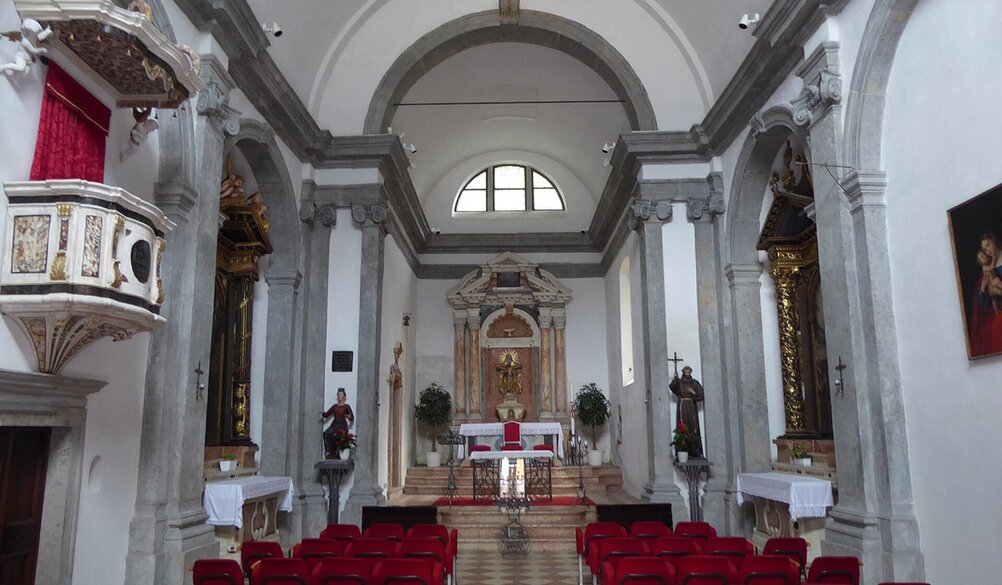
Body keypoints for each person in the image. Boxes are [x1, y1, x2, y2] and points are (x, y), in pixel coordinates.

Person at [970, 232, 1002, 356]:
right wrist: (983, 289)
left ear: (994, 240)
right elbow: (982, 303)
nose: (987, 251)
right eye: (984, 249)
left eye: (988, 245)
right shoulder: (987, 267)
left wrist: (998, 291)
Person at [668, 366, 704, 458]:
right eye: (685, 372)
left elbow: (701, 394)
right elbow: (673, 387)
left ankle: (695, 451)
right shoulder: (680, 382)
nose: (687, 374)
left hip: (691, 406)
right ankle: (683, 450)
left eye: (689, 372)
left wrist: (693, 392)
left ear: (691, 372)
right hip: (683, 406)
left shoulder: (695, 383)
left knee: (693, 426)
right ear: (683, 372)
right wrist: (675, 379)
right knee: (683, 426)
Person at [321, 388, 354, 458]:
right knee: (326, 433)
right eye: (338, 395)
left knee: (339, 436)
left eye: (341, 394)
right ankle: (329, 452)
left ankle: (337, 453)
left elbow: (352, 417)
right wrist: (323, 414)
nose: (339, 396)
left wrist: (347, 416)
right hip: (335, 424)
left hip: (342, 425)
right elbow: (327, 414)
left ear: (344, 396)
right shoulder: (335, 407)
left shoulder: (346, 406)